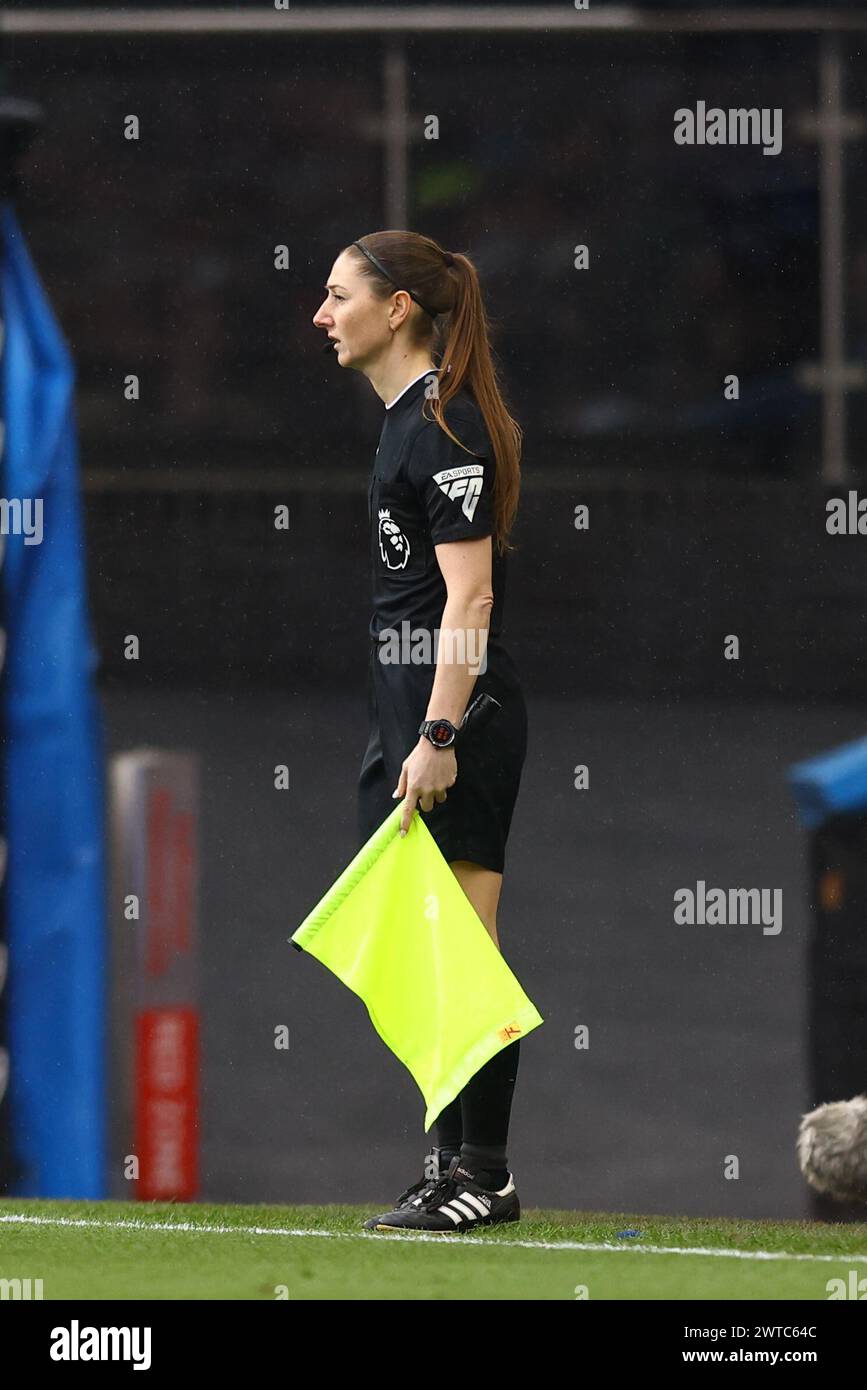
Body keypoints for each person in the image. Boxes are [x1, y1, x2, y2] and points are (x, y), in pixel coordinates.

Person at [312, 230, 529, 1233]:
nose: (322, 313)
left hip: (456, 721)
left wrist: (441, 732)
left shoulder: (445, 424)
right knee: (416, 948)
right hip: (406, 719)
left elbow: (470, 596)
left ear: (396, 309)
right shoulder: (404, 423)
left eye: (338, 294)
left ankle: (482, 1172)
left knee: (465, 951)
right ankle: (447, 1166)